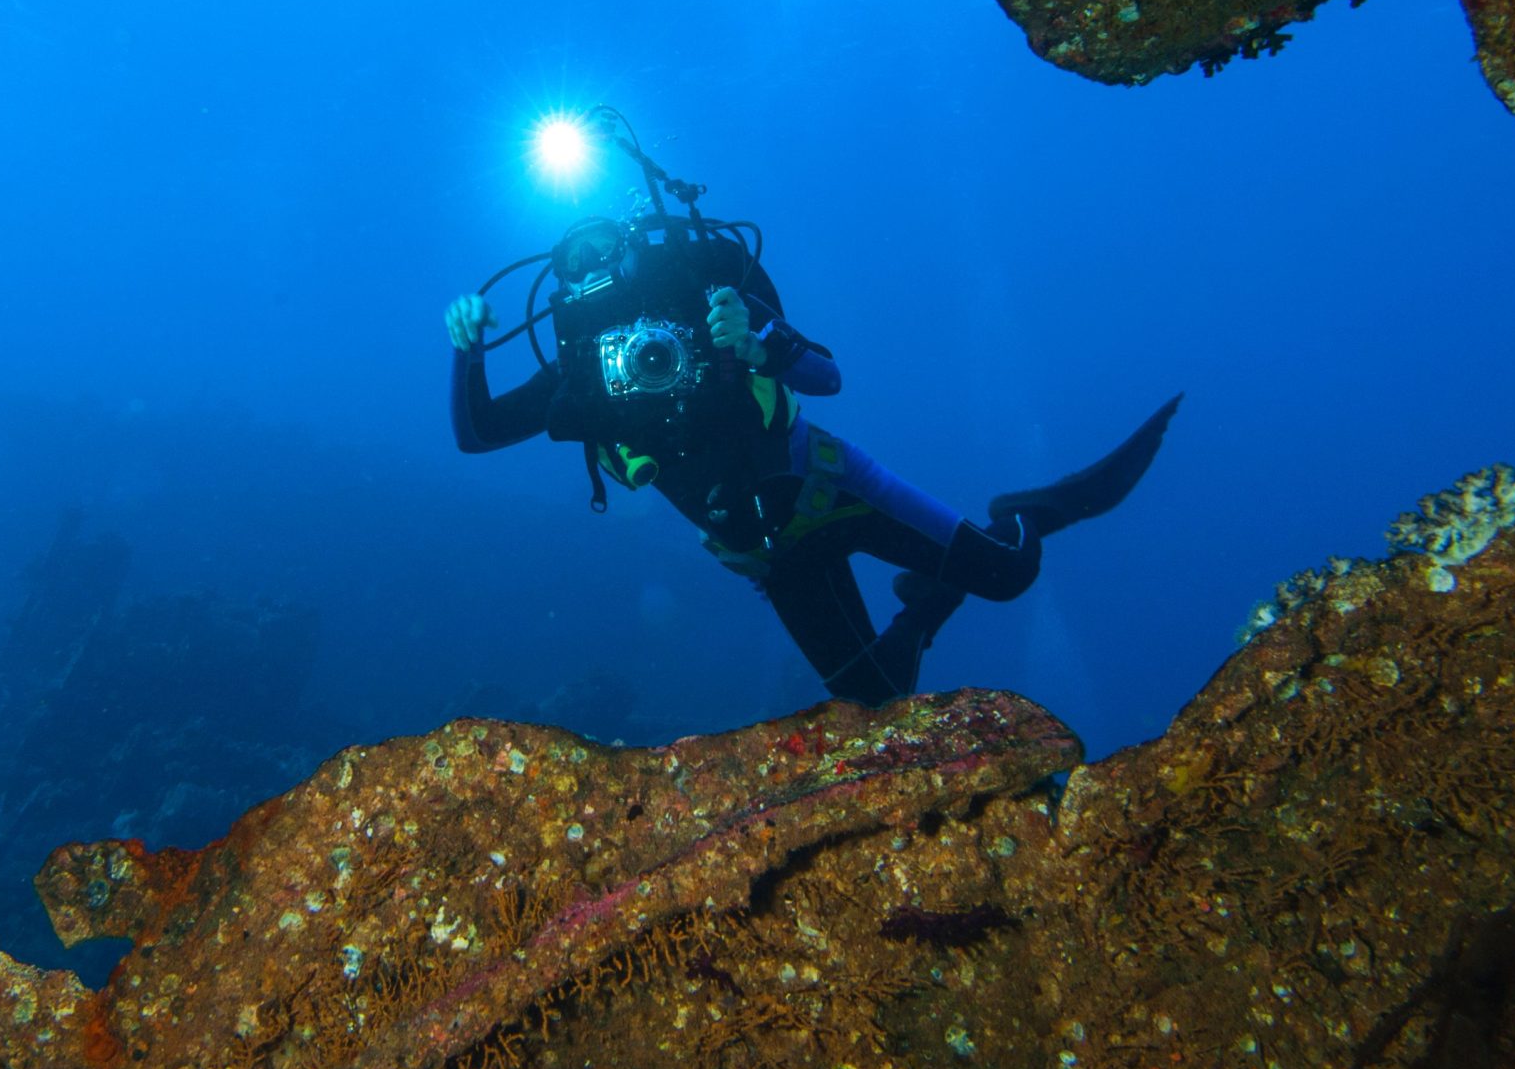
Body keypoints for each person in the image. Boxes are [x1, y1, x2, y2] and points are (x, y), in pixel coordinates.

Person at [446, 209, 1178, 704]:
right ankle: (923, 610)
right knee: (874, 701)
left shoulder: (708, 303)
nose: (590, 263)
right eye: (573, 259)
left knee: (1011, 573)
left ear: (635, 249)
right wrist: (467, 351)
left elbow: (827, 376)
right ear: (562, 285)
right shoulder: (578, 372)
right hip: (770, 555)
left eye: (603, 244)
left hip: (835, 488)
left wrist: (761, 343)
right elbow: (477, 433)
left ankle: (1019, 515)